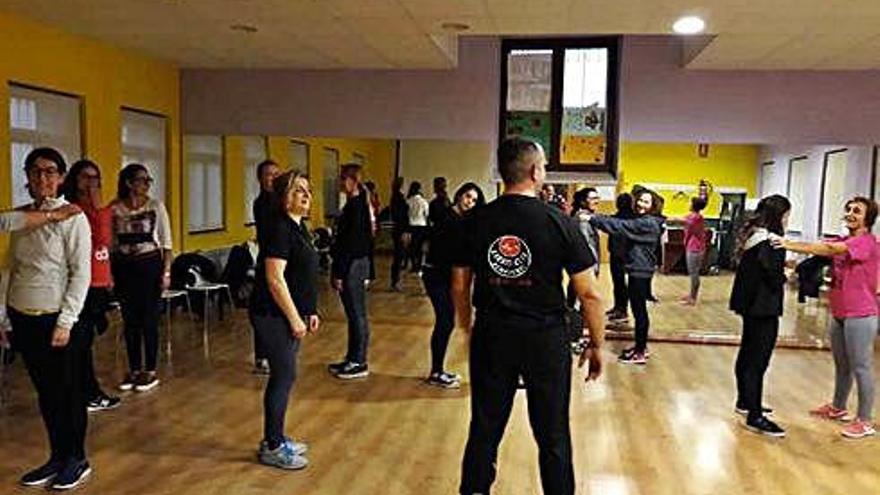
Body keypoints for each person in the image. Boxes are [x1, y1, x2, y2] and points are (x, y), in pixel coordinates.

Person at [453, 137, 605, 495]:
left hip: (493, 333)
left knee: (485, 426)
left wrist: (467, 325)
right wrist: (596, 344)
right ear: (536, 172)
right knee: (552, 433)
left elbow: (459, 285)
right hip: (545, 339)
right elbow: (590, 294)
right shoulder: (559, 222)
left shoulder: (475, 220)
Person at [0, 147, 92, 490]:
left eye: (50, 171)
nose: (43, 178)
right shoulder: (22, 218)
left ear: (61, 177)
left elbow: (79, 273)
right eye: (36, 171)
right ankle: (56, 455)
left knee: (68, 392)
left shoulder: (73, 217)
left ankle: (77, 458)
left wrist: (66, 321)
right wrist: (4, 317)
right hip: (22, 316)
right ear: (26, 176)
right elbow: (11, 268)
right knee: (46, 393)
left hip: (57, 319)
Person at [774, 197, 879, 439]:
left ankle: (865, 420)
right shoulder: (844, 240)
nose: (851, 214)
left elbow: (829, 250)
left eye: (857, 211)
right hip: (840, 311)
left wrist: (786, 243)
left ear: (868, 219)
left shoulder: (867, 242)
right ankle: (838, 407)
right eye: (849, 209)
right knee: (842, 365)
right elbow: (822, 246)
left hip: (861, 313)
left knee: (861, 366)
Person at [250, 170, 320, 469]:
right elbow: (275, 280)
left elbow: (303, 275)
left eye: (306, 190)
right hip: (272, 315)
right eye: (296, 191)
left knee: (285, 376)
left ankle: (275, 437)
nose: (304, 195)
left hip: (291, 313)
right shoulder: (279, 228)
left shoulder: (300, 227)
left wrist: (311, 310)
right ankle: (273, 446)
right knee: (284, 376)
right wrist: (294, 318)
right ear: (282, 198)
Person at [61, 160, 121, 413]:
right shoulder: (72, 209)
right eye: (85, 177)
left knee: (85, 342)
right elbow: (101, 237)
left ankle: (86, 392)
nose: (91, 183)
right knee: (79, 343)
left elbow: (105, 247)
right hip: (78, 284)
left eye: (95, 178)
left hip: (96, 283)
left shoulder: (96, 209)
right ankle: (85, 394)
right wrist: (99, 208)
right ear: (74, 180)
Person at [729, 194, 791, 438]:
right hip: (763, 306)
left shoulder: (755, 235)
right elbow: (773, 274)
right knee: (758, 360)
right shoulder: (771, 241)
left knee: (747, 353)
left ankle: (745, 401)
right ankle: (755, 415)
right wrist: (785, 277)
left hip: (750, 305)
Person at [111, 163, 173, 392]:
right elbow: (110, 244)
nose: (147, 185)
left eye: (149, 181)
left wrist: (166, 272)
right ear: (129, 183)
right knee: (130, 321)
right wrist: (110, 272)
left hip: (150, 265)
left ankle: (150, 369)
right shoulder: (115, 209)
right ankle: (134, 367)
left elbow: (167, 243)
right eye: (142, 180)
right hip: (124, 267)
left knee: (149, 320)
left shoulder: (156, 206)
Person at [590, 189, 665, 364]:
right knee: (639, 311)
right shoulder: (646, 221)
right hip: (638, 269)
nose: (640, 204)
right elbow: (620, 223)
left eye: (646, 202)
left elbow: (621, 226)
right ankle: (640, 348)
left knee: (640, 313)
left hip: (640, 271)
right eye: (639, 201)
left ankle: (640, 352)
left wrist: (592, 218)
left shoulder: (648, 223)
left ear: (653, 206)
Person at [422, 182, 485, 388]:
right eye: (467, 197)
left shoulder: (463, 221)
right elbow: (452, 252)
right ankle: (436, 372)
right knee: (445, 321)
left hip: (445, 276)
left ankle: (437, 370)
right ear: (459, 196)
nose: (470, 202)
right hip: (436, 276)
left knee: (446, 322)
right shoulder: (449, 219)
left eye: (474, 200)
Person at [328, 164, 373, 380]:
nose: (340, 183)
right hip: (355, 262)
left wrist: (338, 272)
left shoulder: (357, 207)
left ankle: (358, 361)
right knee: (355, 314)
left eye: (343, 179)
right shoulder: (357, 204)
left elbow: (350, 244)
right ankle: (352, 357)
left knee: (357, 314)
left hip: (352, 264)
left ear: (353, 181)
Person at [250, 159, 281, 375]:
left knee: (276, 310)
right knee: (264, 310)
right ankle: (262, 356)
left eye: (276, 174)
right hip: (267, 262)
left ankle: (272, 354)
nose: (273, 178)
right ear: (260, 179)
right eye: (269, 174)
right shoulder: (263, 202)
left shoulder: (278, 201)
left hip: (279, 262)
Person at [670, 197, 709, 305]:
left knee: (694, 273)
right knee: (692, 272)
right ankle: (691, 295)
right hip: (692, 247)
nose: (689, 204)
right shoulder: (693, 215)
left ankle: (693, 298)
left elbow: (680, 220)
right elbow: (682, 218)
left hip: (696, 248)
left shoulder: (697, 217)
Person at [567, 187, 601, 308]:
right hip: (586, 265)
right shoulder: (583, 221)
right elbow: (586, 245)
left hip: (582, 265)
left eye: (597, 198)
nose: (596, 201)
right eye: (592, 198)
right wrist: (593, 266)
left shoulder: (587, 217)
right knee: (583, 297)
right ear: (583, 202)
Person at [606, 193, 634, 322]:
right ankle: (620, 308)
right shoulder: (634, 218)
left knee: (619, 283)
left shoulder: (615, 218)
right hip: (629, 254)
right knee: (622, 284)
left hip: (617, 254)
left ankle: (621, 309)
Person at [389, 176, 409, 290]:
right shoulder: (399, 198)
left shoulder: (396, 197)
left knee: (399, 256)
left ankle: (395, 281)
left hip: (398, 229)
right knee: (398, 256)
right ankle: (395, 281)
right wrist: (404, 232)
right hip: (400, 230)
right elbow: (402, 217)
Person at [406, 181, 430, 272]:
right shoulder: (424, 201)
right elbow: (427, 215)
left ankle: (413, 265)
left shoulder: (408, 201)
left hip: (411, 226)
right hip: (422, 226)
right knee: (420, 248)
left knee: (412, 247)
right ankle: (419, 266)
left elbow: (406, 215)